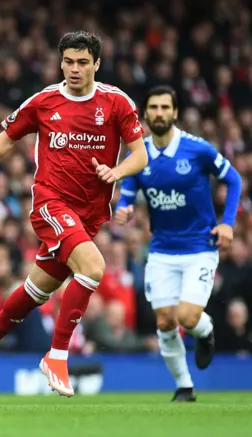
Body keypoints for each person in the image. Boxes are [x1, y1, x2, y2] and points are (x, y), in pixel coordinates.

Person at [0, 30, 148, 397]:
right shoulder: (44, 102)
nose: (75, 69)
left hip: (91, 214)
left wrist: (117, 172)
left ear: (97, 64)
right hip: (52, 204)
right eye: (68, 61)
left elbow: (140, 155)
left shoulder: (117, 103)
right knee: (94, 268)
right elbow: (2, 142)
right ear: (60, 61)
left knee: (38, 289)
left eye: (83, 62)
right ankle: (58, 355)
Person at [115, 85, 242, 402]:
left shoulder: (197, 149)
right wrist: (124, 209)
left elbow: (234, 179)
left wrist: (227, 223)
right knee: (165, 322)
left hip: (200, 246)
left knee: (187, 317)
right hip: (160, 250)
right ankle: (184, 387)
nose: (158, 113)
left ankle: (205, 330)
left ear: (174, 113)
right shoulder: (138, 155)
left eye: (164, 108)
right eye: (153, 108)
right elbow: (128, 193)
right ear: (145, 114)